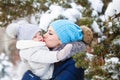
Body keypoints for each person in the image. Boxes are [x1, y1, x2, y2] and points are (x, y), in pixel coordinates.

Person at [6, 23, 75, 80]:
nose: (40, 37)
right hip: (44, 75)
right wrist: (58, 55)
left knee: (70, 64)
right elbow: (43, 56)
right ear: (27, 40)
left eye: (39, 34)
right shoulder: (29, 50)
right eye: (35, 36)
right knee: (71, 64)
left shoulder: (37, 45)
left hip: (49, 69)